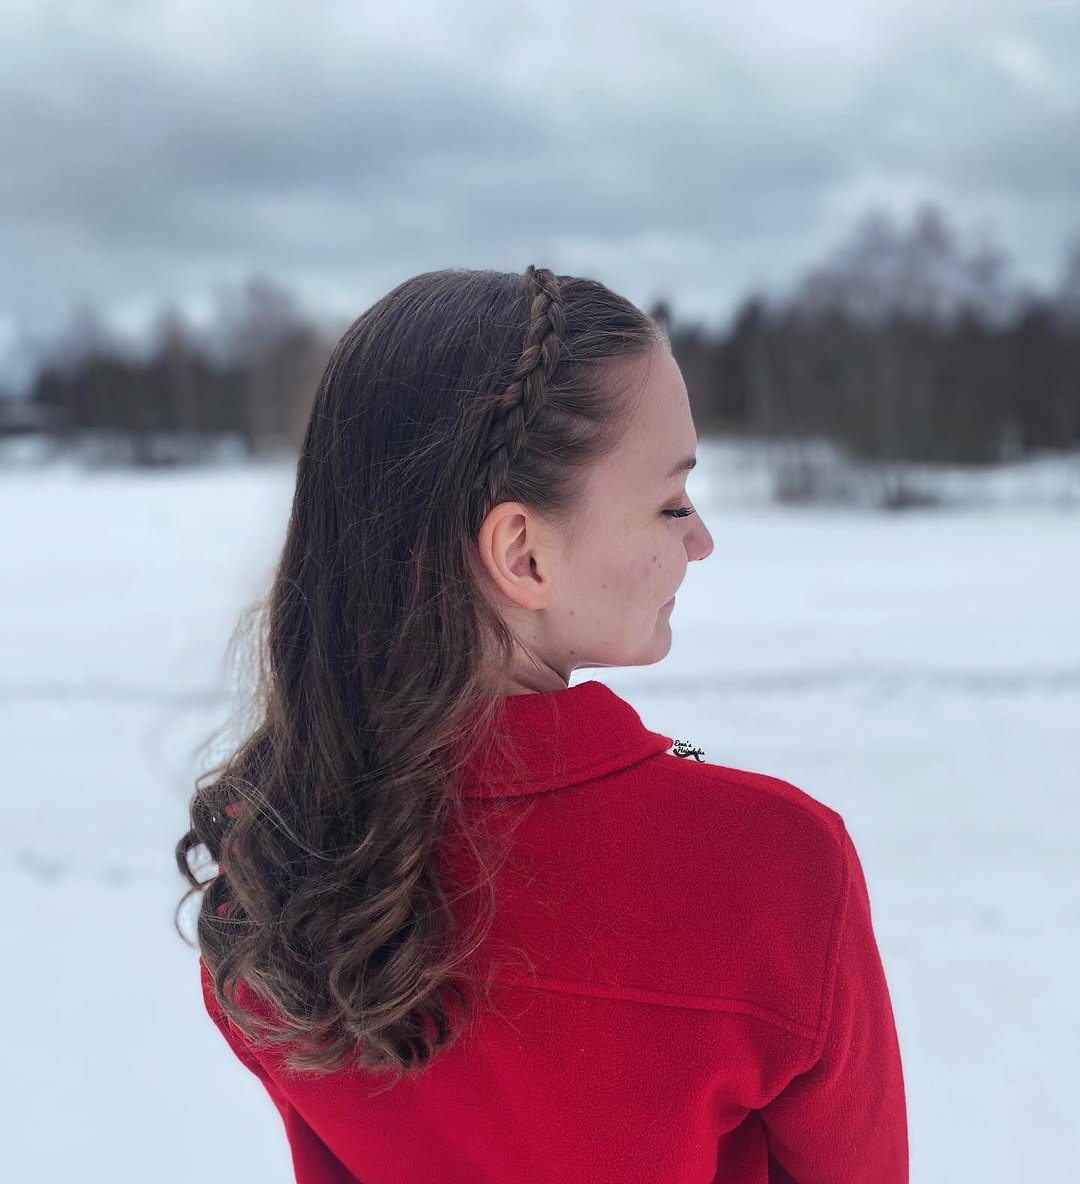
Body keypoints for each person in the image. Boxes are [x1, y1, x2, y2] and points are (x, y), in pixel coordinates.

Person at [176, 265, 908, 1183]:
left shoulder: (271, 878)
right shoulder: (773, 866)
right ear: (524, 552)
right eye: (672, 501)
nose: (701, 538)